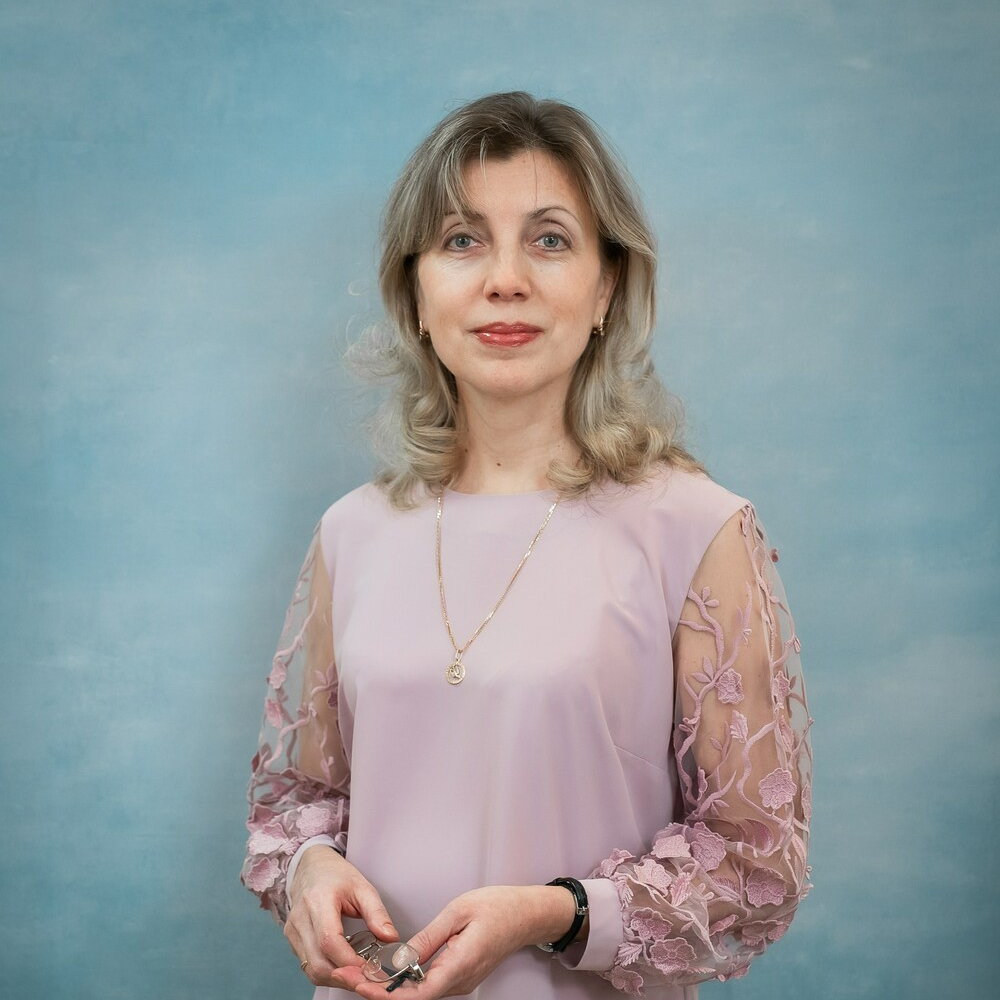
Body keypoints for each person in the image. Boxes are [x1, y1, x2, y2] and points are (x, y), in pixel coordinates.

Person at [240, 91, 813, 1000]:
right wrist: (307, 867)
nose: (505, 279)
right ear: (416, 292)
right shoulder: (351, 533)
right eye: (462, 240)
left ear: (607, 286)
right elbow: (296, 806)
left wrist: (558, 912)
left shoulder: (698, 530)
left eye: (549, 240)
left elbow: (757, 866)